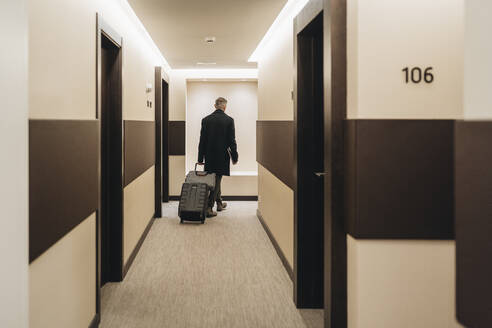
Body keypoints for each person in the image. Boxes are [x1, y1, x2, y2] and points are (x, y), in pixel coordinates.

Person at [198, 97, 239, 217]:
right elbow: (232, 141)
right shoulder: (229, 120)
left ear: (215, 106)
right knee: (217, 179)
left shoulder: (206, 120)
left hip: (209, 155)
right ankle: (209, 207)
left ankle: (219, 203)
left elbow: (202, 140)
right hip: (222, 156)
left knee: (214, 179)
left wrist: (200, 158)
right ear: (225, 107)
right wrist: (235, 157)